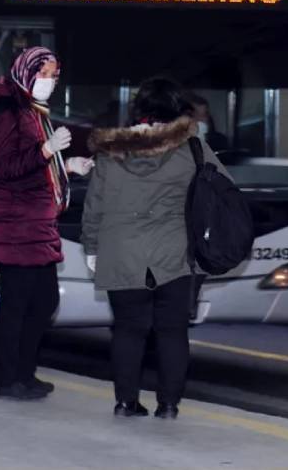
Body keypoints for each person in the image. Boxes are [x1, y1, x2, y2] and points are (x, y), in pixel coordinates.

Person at [81, 77, 230, 418]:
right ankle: (169, 405)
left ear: (138, 110)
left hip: (121, 252)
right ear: (179, 110)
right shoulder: (193, 148)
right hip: (174, 254)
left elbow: (95, 206)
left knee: (128, 330)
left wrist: (92, 247)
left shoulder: (111, 150)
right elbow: (223, 190)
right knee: (172, 331)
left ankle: (125, 402)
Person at [0, 47, 93, 401]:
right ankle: (8, 380)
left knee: (43, 300)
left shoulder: (33, 112)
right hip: (13, 223)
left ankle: (23, 373)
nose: (52, 81)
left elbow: (34, 170)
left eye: (55, 74)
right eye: (46, 74)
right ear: (26, 74)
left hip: (34, 223)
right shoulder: (7, 114)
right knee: (17, 304)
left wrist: (67, 168)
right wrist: (48, 151)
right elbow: (4, 169)